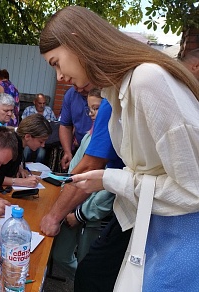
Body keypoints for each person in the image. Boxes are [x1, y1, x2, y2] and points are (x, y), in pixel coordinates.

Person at [40, 6, 199, 291]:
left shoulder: (146, 80)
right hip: (155, 228)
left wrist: (110, 179)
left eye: (56, 62)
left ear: (77, 41)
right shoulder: (118, 91)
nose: (59, 76)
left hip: (182, 237)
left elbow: (193, 189)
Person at [49, 88, 116, 280]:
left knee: (88, 260)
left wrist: (81, 214)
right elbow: (75, 172)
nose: (92, 114)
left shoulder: (112, 142)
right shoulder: (88, 136)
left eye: (96, 108)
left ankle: (85, 281)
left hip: (91, 217)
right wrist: (66, 199)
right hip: (72, 208)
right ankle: (82, 279)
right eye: (90, 109)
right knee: (60, 255)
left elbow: (108, 187)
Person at [0, 114, 52, 189]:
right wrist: (21, 182)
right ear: (27, 136)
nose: (43, 145)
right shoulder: (10, 147)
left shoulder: (18, 143)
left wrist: (19, 168)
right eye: (41, 141)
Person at [59, 86, 92, 170]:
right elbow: (65, 125)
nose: (79, 89)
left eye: (84, 85)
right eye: (75, 85)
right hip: (81, 147)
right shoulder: (71, 94)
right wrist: (67, 152)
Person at [21, 93, 58, 163]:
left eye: (44, 103)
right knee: (26, 151)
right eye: (40, 103)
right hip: (31, 138)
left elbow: (54, 124)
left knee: (41, 154)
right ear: (34, 102)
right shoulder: (28, 110)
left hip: (44, 140)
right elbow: (23, 125)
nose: (42, 106)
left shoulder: (49, 111)